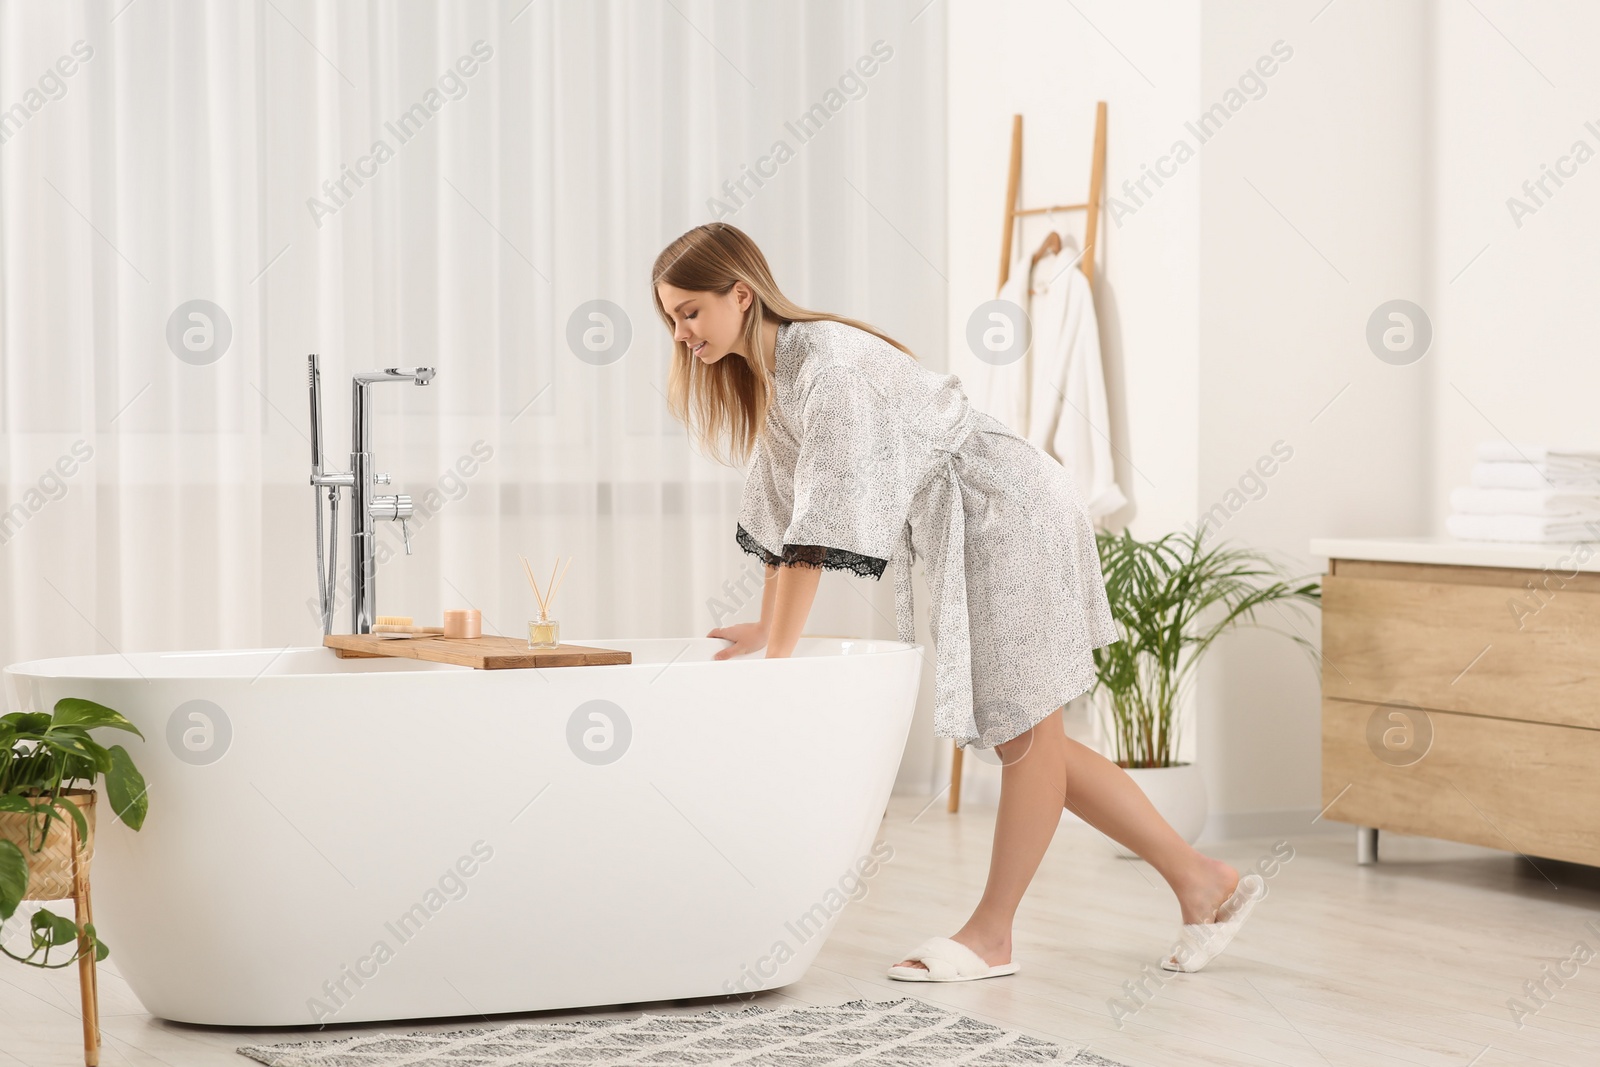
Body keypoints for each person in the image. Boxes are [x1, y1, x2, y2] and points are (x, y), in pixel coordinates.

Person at [651, 222, 1264, 981]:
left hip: (1010, 507)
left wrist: (780, 657)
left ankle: (992, 935)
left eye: (689, 312)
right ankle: (1199, 878)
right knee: (1025, 738)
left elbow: (817, 529)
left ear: (740, 294)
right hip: (978, 515)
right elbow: (784, 512)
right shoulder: (780, 373)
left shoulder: (828, 370)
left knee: (1026, 731)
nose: (680, 334)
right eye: (670, 318)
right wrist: (769, 631)